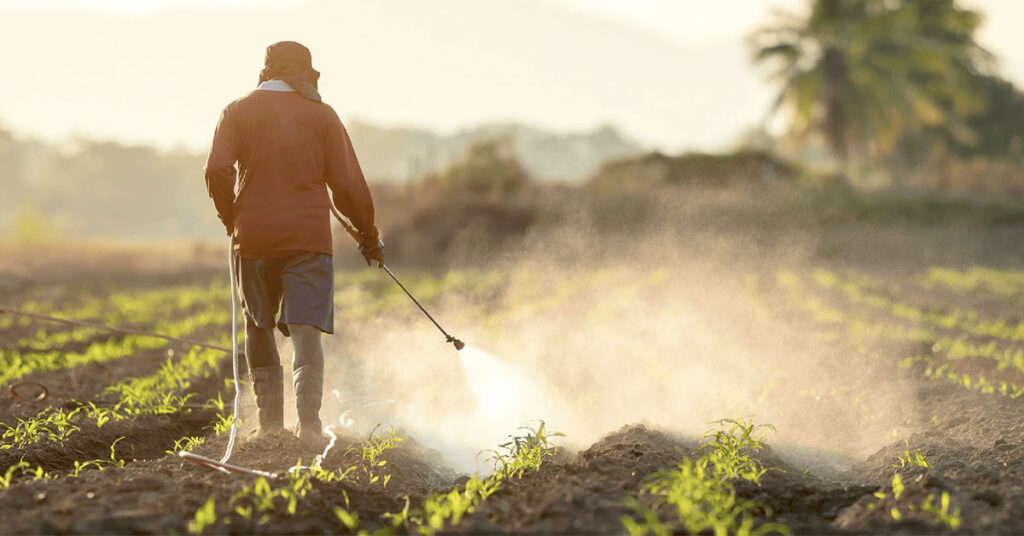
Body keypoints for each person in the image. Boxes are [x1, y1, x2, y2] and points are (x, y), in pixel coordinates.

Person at [204, 41, 383, 447]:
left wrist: (231, 218)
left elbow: (217, 169)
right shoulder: (322, 115)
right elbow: (348, 186)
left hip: (253, 238)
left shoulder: (236, 111)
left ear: (266, 71)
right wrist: (369, 236)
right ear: (306, 74)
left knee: (258, 325)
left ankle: (269, 428)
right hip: (308, 239)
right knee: (306, 333)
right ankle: (309, 428)